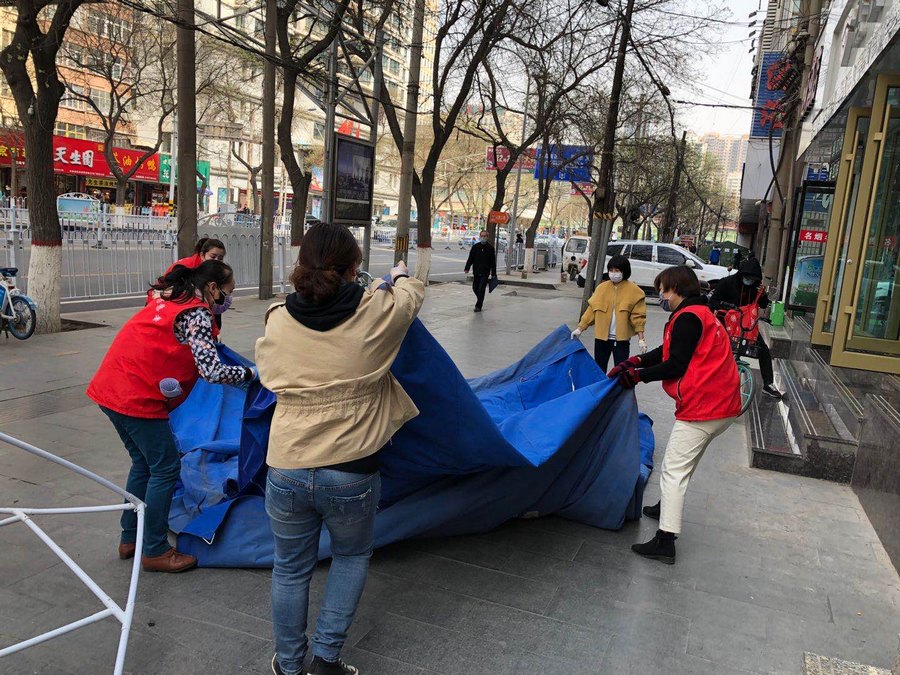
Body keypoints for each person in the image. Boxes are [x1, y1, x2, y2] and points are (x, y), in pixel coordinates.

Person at [256, 222, 425, 675]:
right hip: (352, 469)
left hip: (287, 463)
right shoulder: (378, 313)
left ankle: (289, 665)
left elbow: (267, 374)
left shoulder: (278, 318)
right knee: (350, 557)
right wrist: (400, 275)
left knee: (289, 569)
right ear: (354, 269)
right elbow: (412, 296)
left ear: (301, 266)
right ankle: (326, 660)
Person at [87, 261, 255, 573]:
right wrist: (251, 373)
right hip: (137, 397)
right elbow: (212, 371)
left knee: (143, 464)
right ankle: (155, 549)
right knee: (165, 468)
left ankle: (130, 537)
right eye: (228, 293)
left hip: (110, 388)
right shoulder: (196, 313)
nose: (228, 301)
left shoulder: (169, 298)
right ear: (213, 288)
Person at [608, 265, 741, 564]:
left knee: (673, 470)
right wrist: (636, 361)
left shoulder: (689, 318)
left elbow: (675, 364)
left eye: (663, 290)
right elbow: (668, 351)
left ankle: (665, 541)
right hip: (722, 403)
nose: (661, 296)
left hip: (705, 406)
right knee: (684, 464)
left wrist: (638, 376)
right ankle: (666, 507)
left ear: (677, 290)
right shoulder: (697, 313)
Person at [710, 257, 783, 399]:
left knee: (763, 350)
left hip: (746, 326)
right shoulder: (727, 283)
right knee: (719, 349)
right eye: (747, 277)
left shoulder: (755, 288)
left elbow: (763, 305)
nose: (749, 280)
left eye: (752, 278)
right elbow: (713, 302)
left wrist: (763, 295)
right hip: (726, 323)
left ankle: (768, 384)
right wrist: (728, 306)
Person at [571, 255, 647, 371]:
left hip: (621, 340)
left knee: (621, 371)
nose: (613, 273)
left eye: (617, 270)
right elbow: (591, 311)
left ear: (624, 271)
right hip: (601, 338)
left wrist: (641, 339)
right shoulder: (601, 288)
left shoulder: (635, 292)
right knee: (599, 369)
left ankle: (619, 383)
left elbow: (638, 317)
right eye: (611, 270)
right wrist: (580, 328)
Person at [165, 238, 230, 327]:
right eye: (213, 257)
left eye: (220, 258)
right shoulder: (187, 267)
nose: (216, 260)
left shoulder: (215, 269)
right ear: (202, 255)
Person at [464, 229, 497, 313]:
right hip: (476, 271)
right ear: (479, 237)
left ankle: (478, 306)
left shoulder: (490, 248)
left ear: (487, 237)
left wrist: (493, 273)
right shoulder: (475, 247)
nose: (483, 238)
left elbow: (493, 262)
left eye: (485, 236)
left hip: (485, 272)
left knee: (482, 288)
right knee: (475, 287)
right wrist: (467, 268)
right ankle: (480, 299)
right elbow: (470, 258)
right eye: (482, 236)